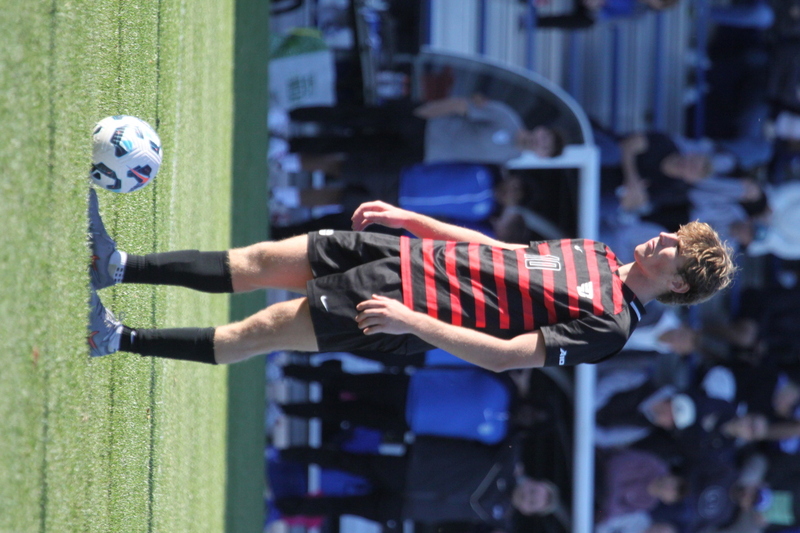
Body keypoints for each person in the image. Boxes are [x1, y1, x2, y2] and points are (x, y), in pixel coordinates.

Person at [86, 189, 735, 369]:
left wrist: (411, 323)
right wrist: (411, 219)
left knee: (261, 329)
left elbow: (509, 358)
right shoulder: (595, 250)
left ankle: (117, 339)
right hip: (406, 258)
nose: (665, 238)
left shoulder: (611, 327)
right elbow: (498, 250)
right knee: (259, 261)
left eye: (675, 251)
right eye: (675, 233)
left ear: (677, 285)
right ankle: (117, 267)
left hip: (406, 306)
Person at [273, 435, 560, 531]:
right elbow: (517, 436)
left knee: (339, 506)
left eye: (534, 503)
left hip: (404, 509)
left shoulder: (499, 520)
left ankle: (281, 508)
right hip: (411, 470)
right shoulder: (507, 462)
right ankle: (282, 454)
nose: (530, 497)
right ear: (533, 481)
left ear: (529, 512)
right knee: (346, 461)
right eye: (536, 492)